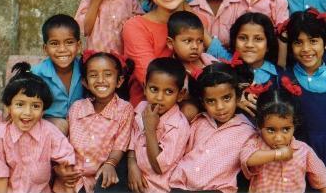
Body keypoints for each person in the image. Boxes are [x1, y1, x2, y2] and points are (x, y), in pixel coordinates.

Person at [122, 0, 195, 107]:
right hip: (150, 114)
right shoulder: (136, 27)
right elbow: (153, 84)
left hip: (198, 111)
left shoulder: (199, 21)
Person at [55, 50, 134, 193]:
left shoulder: (124, 109)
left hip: (101, 177)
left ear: (119, 81)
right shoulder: (77, 108)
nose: (101, 80)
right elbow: (64, 144)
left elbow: (120, 145)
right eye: (93, 75)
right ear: (85, 82)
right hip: (72, 179)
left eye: (108, 74)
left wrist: (111, 163)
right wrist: (58, 168)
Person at [169, 62, 255, 192]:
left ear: (237, 97)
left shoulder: (247, 131)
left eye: (226, 98)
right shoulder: (198, 121)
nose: (220, 107)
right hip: (180, 186)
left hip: (216, 189)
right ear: (203, 102)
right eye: (211, 101)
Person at [0, 62, 75, 193]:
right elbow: (0, 172)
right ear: (8, 107)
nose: (27, 112)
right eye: (20, 104)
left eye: (35, 106)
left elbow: (66, 156)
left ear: (43, 110)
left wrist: (63, 171)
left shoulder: (49, 131)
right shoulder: (0, 134)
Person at [282, 7, 326, 190]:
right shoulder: (283, 80)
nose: (306, 49)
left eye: (313, 41)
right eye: (298, 42)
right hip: (298, 163)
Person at [240, 81, 326, 193]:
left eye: (286, 129)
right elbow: (246, 158)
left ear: (295, 125)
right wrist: (277, 154)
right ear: (259, 125)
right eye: (271, 130)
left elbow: (320, 176)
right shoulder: (256, 144)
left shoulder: (304, 150)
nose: (278, 138)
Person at [127, 57, 190, 193]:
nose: (159, 97)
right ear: (145, 88)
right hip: (134, 177)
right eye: (154, 89)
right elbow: (132, 138)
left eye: (169, 92)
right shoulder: (142, 107)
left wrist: (150, 129)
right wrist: (132, 164)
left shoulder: (178, 125)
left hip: (157, 187)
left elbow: (159, 166)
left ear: (180, 94)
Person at [207, 12, 280, 117]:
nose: (249, 45)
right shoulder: (226, 59)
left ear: (268, 44)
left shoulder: (278, 75)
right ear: (234, 41)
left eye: (258, 39)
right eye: (243, 38)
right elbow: (197, 29)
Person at [32, 14, 83, 135]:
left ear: (79, 46)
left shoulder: (86, 70)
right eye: (55, 43)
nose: (62, 49)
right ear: (45, 48)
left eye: (69, 42)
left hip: (80, 125)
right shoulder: (36, 74)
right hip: (46, 125)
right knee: (61, 126)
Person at [167, 10, 217, 121]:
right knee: (189, 110)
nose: (195, 46)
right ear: (171, 43)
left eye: (200, 41)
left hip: (216, 105)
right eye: (188, 41)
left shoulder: (210, 61)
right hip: (190, 111)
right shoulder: (171, 70)